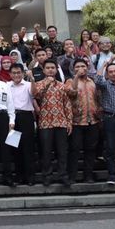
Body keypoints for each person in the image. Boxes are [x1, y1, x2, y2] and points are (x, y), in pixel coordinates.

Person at [34, 59, 73, 187]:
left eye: (53, 68)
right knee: (46, 151)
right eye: (48, 68)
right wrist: (47, 84)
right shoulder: (38, 84)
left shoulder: (62, 86)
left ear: (56, 70)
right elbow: (36, 95)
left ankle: (63, 175)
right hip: (45, 123)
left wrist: (69, 122)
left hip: (61, 122)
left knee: (62, 151)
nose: (50, 70)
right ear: (44, 70)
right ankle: (47, 175)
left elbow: (67, 104)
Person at [65, 58, 101, 184]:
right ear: (73, 69)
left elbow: (98, 98)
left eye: (83, 66)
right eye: (77, 66)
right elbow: (72, 93)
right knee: (74, 150)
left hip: (92, 121)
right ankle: (72, 176)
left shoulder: (93, 81)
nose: (81, 68)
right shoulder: (70, 81)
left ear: (87, 68)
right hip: (76, 121)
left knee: (90, 150)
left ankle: (89, 175)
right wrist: (76, 77)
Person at [9, 63, 36, 186]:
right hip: (12, 119)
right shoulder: (7, 86)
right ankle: (18, 176)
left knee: (28, 147)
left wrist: (33, 79)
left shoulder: (29, 85)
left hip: (26, 118)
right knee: (15, 148)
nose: (16, 75)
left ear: (23, 73)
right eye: (13, 73)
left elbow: (35, 94)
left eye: (18, 72)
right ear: (10, 74)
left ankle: (30, 176)